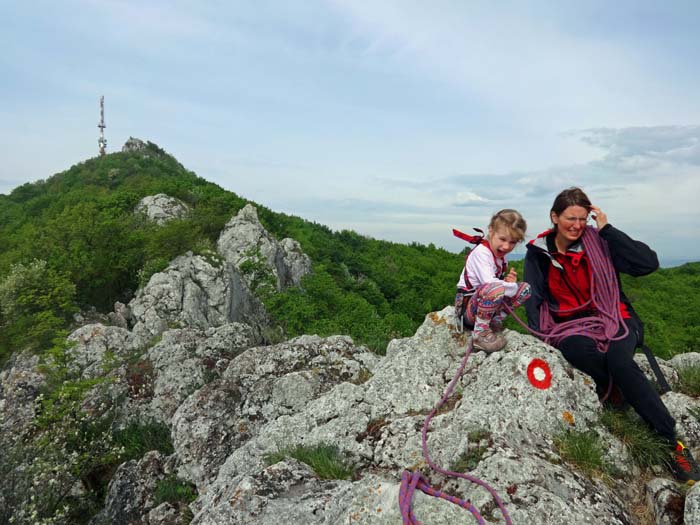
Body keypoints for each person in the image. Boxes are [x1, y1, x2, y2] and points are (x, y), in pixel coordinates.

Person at [523, 186, 700, 484]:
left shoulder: (599, 243)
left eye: (583, 218)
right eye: (570, 218)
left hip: (616, 316)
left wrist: (607, 229)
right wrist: (544, 337)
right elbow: (534, 299)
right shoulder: (539, 253)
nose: (577, 225)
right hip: (571, 325)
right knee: (577, 351)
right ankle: (617, 391)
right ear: (554, 217)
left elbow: (648, 263)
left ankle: (671, 441)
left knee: (619, 360)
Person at [455, 209, 531, 352]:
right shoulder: (482, 253)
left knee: (525, 288)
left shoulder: (500, 257)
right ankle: (480, 334)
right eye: (502, 239)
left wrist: (509, 283)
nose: (507, 246)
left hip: (484, 305)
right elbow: (489, 283)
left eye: (513, 242)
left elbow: (497, 284)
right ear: (491, 231)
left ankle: (494, 321)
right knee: (496, 288)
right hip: (467, 309)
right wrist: (511, 287)